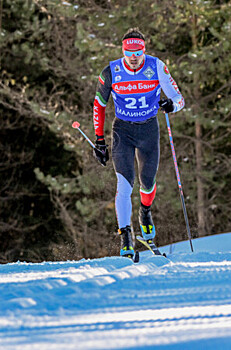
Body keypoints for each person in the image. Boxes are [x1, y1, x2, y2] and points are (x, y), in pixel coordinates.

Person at [92, 27, 185, 258]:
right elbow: (99, 105)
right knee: (124, 185)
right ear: (123, 51)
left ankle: (145, 212)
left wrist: (171, 106)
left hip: (148, 130)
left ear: (144, 50)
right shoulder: (111, 72)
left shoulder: (156, 66)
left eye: (138, 51)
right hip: (123, 130)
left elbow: (179, 98)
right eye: (129, 52)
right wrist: (100, 140)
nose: (133, 57)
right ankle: (126, 237)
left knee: (148, 181)